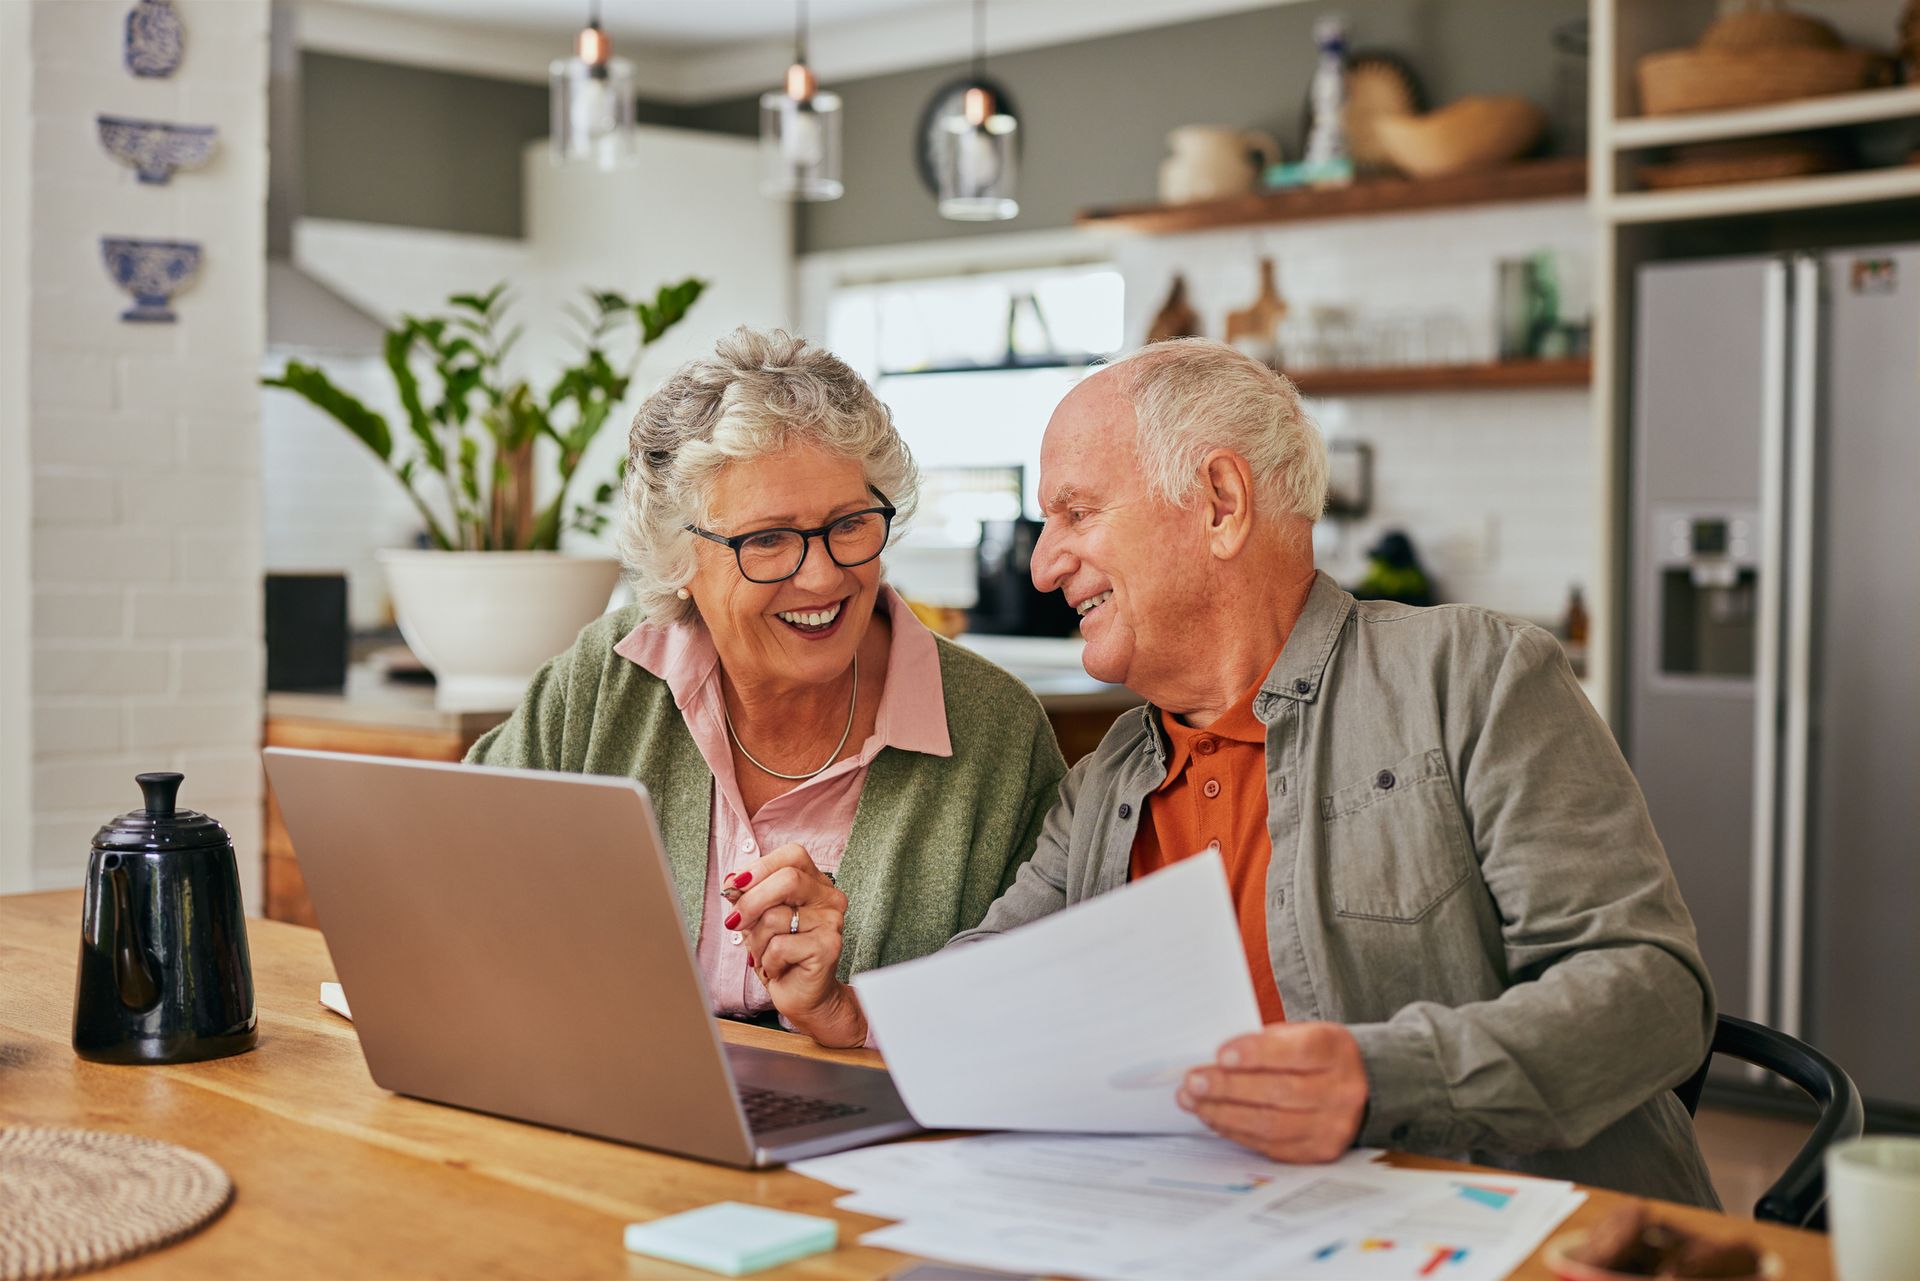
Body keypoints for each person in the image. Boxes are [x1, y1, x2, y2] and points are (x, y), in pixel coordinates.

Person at [946, 338, 1720, 1205]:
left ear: (1220, 503)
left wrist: (1376, 1080)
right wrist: (852, 1010)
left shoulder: (1472, 676)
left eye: (1077, 514)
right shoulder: (1110, 776)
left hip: (1518, 1237)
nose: (1045, 564)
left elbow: (1651, 994)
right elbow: (987, 982)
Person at [468, 327, 1067, 1047]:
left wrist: (849, 1011)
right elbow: (457, 873)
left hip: (880, 1145)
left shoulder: (994, 729)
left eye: (849, 524)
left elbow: (1042, 1012)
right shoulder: (607, 676)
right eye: (768, 540)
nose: (820, 577)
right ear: (677, 556)